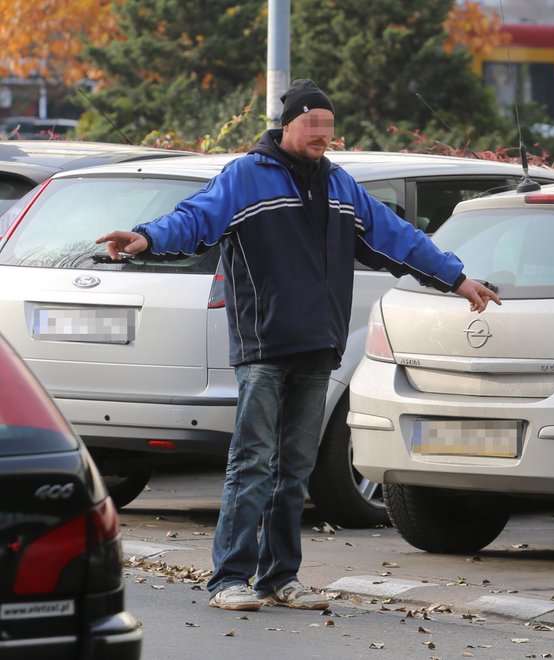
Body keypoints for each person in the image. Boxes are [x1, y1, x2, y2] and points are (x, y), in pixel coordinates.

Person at [96, 79, 500, 612]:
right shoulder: (246, 176)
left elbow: (398, 238)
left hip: (320, 346)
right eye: (313, 125)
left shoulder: (340, 187)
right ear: (288, 125)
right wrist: (146, 237)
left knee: (295, 471)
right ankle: (229, 579)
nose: (323, 136)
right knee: (253, 462)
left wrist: (458, 279)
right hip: (265, 345)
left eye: (329, 127)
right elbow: (195, 217)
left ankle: (279, 577)